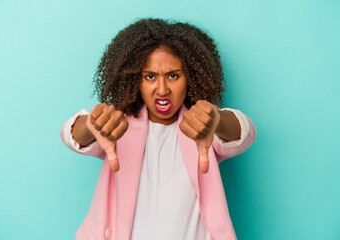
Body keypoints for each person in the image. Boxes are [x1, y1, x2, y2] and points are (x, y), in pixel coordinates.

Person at [60, 18, 256, 240]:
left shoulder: (202, 126)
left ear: (190, 77)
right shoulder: (117, 124)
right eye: (150, 76)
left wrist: (218, 119)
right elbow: (71, 135)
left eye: (173, 76)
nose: (162, 90)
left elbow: (245, 132)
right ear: (136, 80)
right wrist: (91, 124)